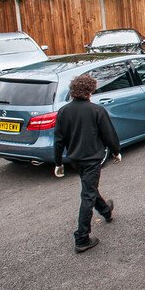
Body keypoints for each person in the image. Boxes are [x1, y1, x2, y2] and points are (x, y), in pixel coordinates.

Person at [53, 74, 122, 253]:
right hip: (92, 159)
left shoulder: (63, 111)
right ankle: (82, 238)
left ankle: (106, 211)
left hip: (74, 159)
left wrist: (58, 162)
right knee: (88, 195)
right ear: (90, 90)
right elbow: (109, 135)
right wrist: (116, 151)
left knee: (89, 188)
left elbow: (58, 139)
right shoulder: (97, 110)